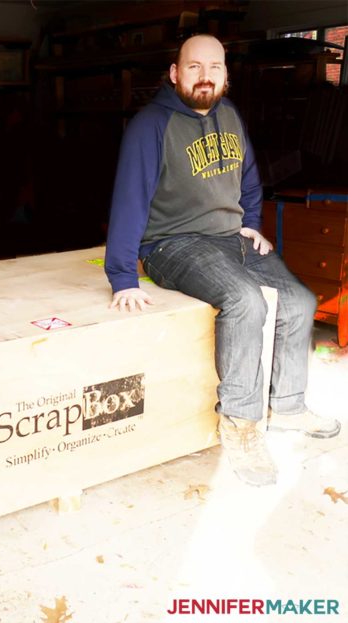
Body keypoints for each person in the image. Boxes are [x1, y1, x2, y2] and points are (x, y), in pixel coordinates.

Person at [104, 34, 340, 487]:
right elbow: (129, 201)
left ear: (226, 74)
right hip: (172, 244)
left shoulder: (229, 116)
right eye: (194, 67)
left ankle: (287, 406)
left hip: (230, 237)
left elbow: (248, 179)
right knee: (246, 301)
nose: (205, 76)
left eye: (214, 67)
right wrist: (122, 276)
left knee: (300, 301)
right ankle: (240, 424)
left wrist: (250, 222)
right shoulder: (150, 126)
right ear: (175, 74)